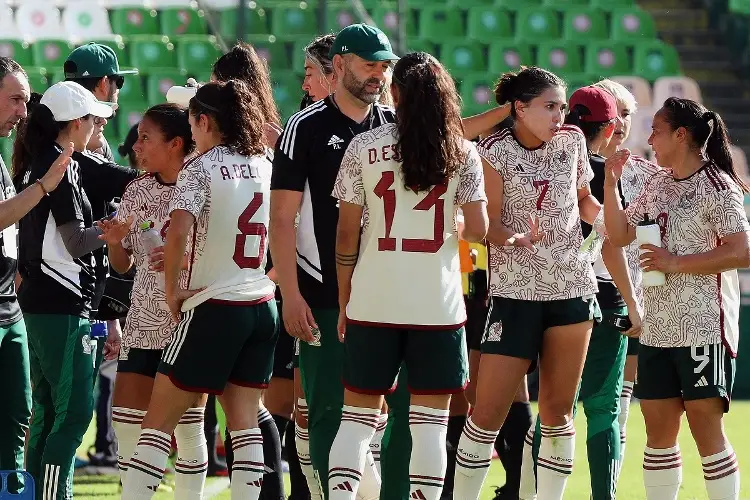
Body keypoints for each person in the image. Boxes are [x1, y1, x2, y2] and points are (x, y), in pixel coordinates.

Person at [328, 51, 488, 500]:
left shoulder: (364, 146)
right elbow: (478, 232)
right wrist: (451, 227)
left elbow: (345, 234)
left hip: (373, 298)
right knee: (431, 428)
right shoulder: (463, 151)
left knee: (356, 421)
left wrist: (345, 299)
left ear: (395, 94)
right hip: (436, 305)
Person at [121, 80, 277, 500]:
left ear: (204, 121)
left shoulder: (201, 166)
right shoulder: (264, 162)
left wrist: (173, 291)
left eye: (192, 123)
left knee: (157, 422)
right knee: (244, 423)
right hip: (261, 303)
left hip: (215, 304)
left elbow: (179, 232)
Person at [453, 67, 603, 500]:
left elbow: (583, 200)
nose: (560, 116)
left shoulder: (572, 141)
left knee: (557, 414)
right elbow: (489, 224)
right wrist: (514, 238)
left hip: (572, 289)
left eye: (562, 106)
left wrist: (607, 221)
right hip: (515, 293)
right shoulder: (492, 150)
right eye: (550, 106)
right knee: (486, 416)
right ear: (519, 108)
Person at [270, 24, 404, 499]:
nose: (379, 74)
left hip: (387, 290)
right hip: (323, 290)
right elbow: (281, 219)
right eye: (369, 63)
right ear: (341, 63)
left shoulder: (395, 126)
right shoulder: (303, 127)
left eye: (384, 65)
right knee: (327, 410)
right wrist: (290, 294)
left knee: (382, 412)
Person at [603, 98, 748, 500]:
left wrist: (675, 262)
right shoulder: (658, 182)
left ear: (680, 135)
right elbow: (618, 236)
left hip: (704, 327)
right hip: (657, 329)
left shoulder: (718, 186)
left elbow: (743, 250)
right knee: (657, 432)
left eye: (656, 130)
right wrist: (610, 185)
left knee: (706, 431)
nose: (648, 138)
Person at [522, 86, 643, 500]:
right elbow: (612, 244)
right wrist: (633, 302)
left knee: (553, 411)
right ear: (609, 127)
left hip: (539, 294)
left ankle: (530, 493)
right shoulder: (600, 172)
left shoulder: (535, 156)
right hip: (599, 298)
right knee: (604, 410)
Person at [97, 103, 210, 499]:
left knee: (188, 428)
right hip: (142, 319)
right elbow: (124, 263)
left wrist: (184, 256)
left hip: (187, 318)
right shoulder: (137, 190)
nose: (137, 146)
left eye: (146, 138)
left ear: (176, 143)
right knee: (126, 420)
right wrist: (114, 244)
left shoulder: (202, 181)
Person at [13, 80, 118, 499]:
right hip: (62, 305)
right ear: (76, 124)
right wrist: (112, 232)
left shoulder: (40, 160)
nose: (96, 128)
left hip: (38, 306)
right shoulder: (62, 166)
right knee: (72, 416)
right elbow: (75, 242)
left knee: (47, 414)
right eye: (93, 120)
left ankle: (34, 493)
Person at [209, 40, 286, 499]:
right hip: (265, 283)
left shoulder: (248, 147)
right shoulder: (271, 139)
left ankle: (269, 491)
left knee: (249, 407)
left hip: (247, 284)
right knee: (250, 404)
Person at [0, 58, 75, 494]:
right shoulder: (36, 175)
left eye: (26, 102)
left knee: (17, 420)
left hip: (9, 307)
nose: (23, 112)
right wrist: (45, 184)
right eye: (14, 99)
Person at [592, 79, 660, 475]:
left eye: (627, 113)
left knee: (619, 407)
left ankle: (609, 484)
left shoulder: (647, 174)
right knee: (556, 407)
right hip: (579, 291)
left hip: (632, 295)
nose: (620, 121)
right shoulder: (573, 165)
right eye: (612, 112)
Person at [64, 42, 137, 161]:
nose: (118, 90)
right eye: (119, 81)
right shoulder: (94, 138)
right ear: (104, 83)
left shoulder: (54, 120)